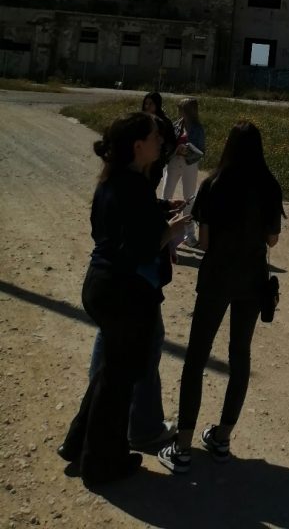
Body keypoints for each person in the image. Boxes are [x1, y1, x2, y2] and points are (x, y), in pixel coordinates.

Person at [58, 113, 189, 486]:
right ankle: (102, 463)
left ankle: (78, 444)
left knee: (109, 375)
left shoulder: (114, 181)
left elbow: (119, 223)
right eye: (155, 137)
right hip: (124, 292)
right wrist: (172, 231)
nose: (161, 142)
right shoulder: (133, 185)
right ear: (138, 146)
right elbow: (143, 245)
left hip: (101, 284)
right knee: (117, 385)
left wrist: (160, 211)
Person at [159, 122, 284, 473]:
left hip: (216, 278)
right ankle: (222, 437)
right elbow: (272, 239)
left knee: (196, 357)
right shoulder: (269, 186)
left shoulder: (214, 185)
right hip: (252, 280)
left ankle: (183, 447)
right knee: (240, 356)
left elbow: (204, 242)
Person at [162, 98, 205, 244]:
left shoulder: (198, 129)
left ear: (188, 111)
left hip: (189, 165)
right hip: (174, 162)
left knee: (189, 198)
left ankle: (189, 234)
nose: (179, 112)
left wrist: (188, 151)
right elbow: (169, 144)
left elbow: (201, 150)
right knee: (166, 195)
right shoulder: (176, 125)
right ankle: (163, 228)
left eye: (181, 109)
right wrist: (176, 150)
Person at [142, 92, 176, 191]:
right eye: (146, 103)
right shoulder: (140, 120)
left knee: (149, 191)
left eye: (151, 103)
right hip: (140, 162)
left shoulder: (165, 122)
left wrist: (163, 153)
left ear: (157, 104)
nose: (147, 106)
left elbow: (171, 143)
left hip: (156, 164)